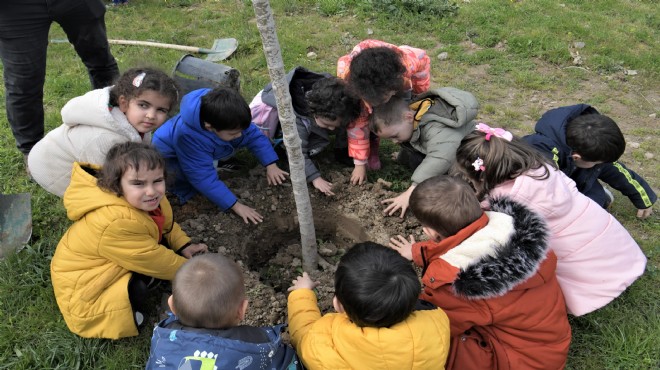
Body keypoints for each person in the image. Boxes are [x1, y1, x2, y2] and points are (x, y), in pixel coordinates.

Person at [450, 123, 647, 316]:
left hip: (592, 281)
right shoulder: (543, 167)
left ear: (481, 175)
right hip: (616, 249)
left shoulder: (506, 202)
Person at [389, 175, 571, 369]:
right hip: (547, 344)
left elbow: (438, 323)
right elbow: (465, 241)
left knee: (429, 349)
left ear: (431, 233)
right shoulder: (514, 231)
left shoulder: (461, 284)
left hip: (520, 361)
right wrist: (418, 251)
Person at [50, 142, 208, 339]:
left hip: (112, 259)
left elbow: (166, 224)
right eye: (138, 183)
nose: (151, 191)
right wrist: (200, 275)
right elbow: (155, 259)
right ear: (116, 185)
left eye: (157, 180)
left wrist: (183, 244)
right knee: (139, 290)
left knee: (154, 263)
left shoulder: (147, 199)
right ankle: (126, 313)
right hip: (87, 290)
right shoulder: (115, 221)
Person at [287, 242, 451, 369]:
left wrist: (302, 293)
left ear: (338, 306)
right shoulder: (437, 323)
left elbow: (302, 335)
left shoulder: (324, 346)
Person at [0, 0, 119, 167]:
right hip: (16, 8)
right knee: (23, 84)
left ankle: (116, 129)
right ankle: (32, 152)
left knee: (101, 62)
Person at [28, 67, 178, 197]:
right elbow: (107, 179)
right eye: (144, 105)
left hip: (68, 156)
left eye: (161, 110)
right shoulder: (104, 139)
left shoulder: (135, 121)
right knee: (106, 202)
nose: (151, 115)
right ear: (124, 103)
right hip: (52, 168)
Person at [152, 87, 289, 225]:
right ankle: (186, 196)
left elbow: (254, 137)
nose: (240, 135)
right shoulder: (188, 137)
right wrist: (236, 206)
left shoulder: (230, 116)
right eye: (233, 133)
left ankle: (217, 162)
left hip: (206, 146)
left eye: (242, 130)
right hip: (168, 157)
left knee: (219, 148)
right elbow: (202, 176)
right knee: (185, 179)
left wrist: (271, 164)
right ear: (209, 127)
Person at [145, 254, 301, 370]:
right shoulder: (257, 344)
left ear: (171, 305)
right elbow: (287, 362)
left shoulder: (162, 337)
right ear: (242, 310)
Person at [522, 104, 656, 218]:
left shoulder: (591, 145)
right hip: (536, 187)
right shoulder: (542, 153)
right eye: (597, 163)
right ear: (577, 157)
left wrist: (643, 198)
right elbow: (545, 190)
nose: (600, 165)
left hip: (571, 178)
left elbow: (615, 171)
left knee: (596, 200)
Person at [249, 68, 360, 196]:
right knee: (291, 147)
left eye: (335, 126)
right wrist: (315, 178)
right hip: (268, 122)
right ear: (315, 113)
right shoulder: (296, 119)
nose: (331, 129)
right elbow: (297, 152)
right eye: (327, 125)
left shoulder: (334, 94)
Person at [370, 87, 479, 217]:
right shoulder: (412, 121)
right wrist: (402, 159)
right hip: (451, 150)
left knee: (456, 184)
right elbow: (414, 141)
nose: (394, 142)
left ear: (408, 117)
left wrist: (411, 191)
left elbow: (440, 158)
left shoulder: (435, 128)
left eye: (394, 136)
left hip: (472, 156)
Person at [337, 39, 431, 185]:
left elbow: (423, 59)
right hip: (366, 84)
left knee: (398, 113)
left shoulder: (408, 63)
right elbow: (357, 128)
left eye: (385, 98)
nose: (380, 105)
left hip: (397, 78)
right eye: (375, 102)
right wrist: (359, 164)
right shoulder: (351, 83)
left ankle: (407, 147)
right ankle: (372, 145)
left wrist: (420, 92)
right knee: (360, 117)